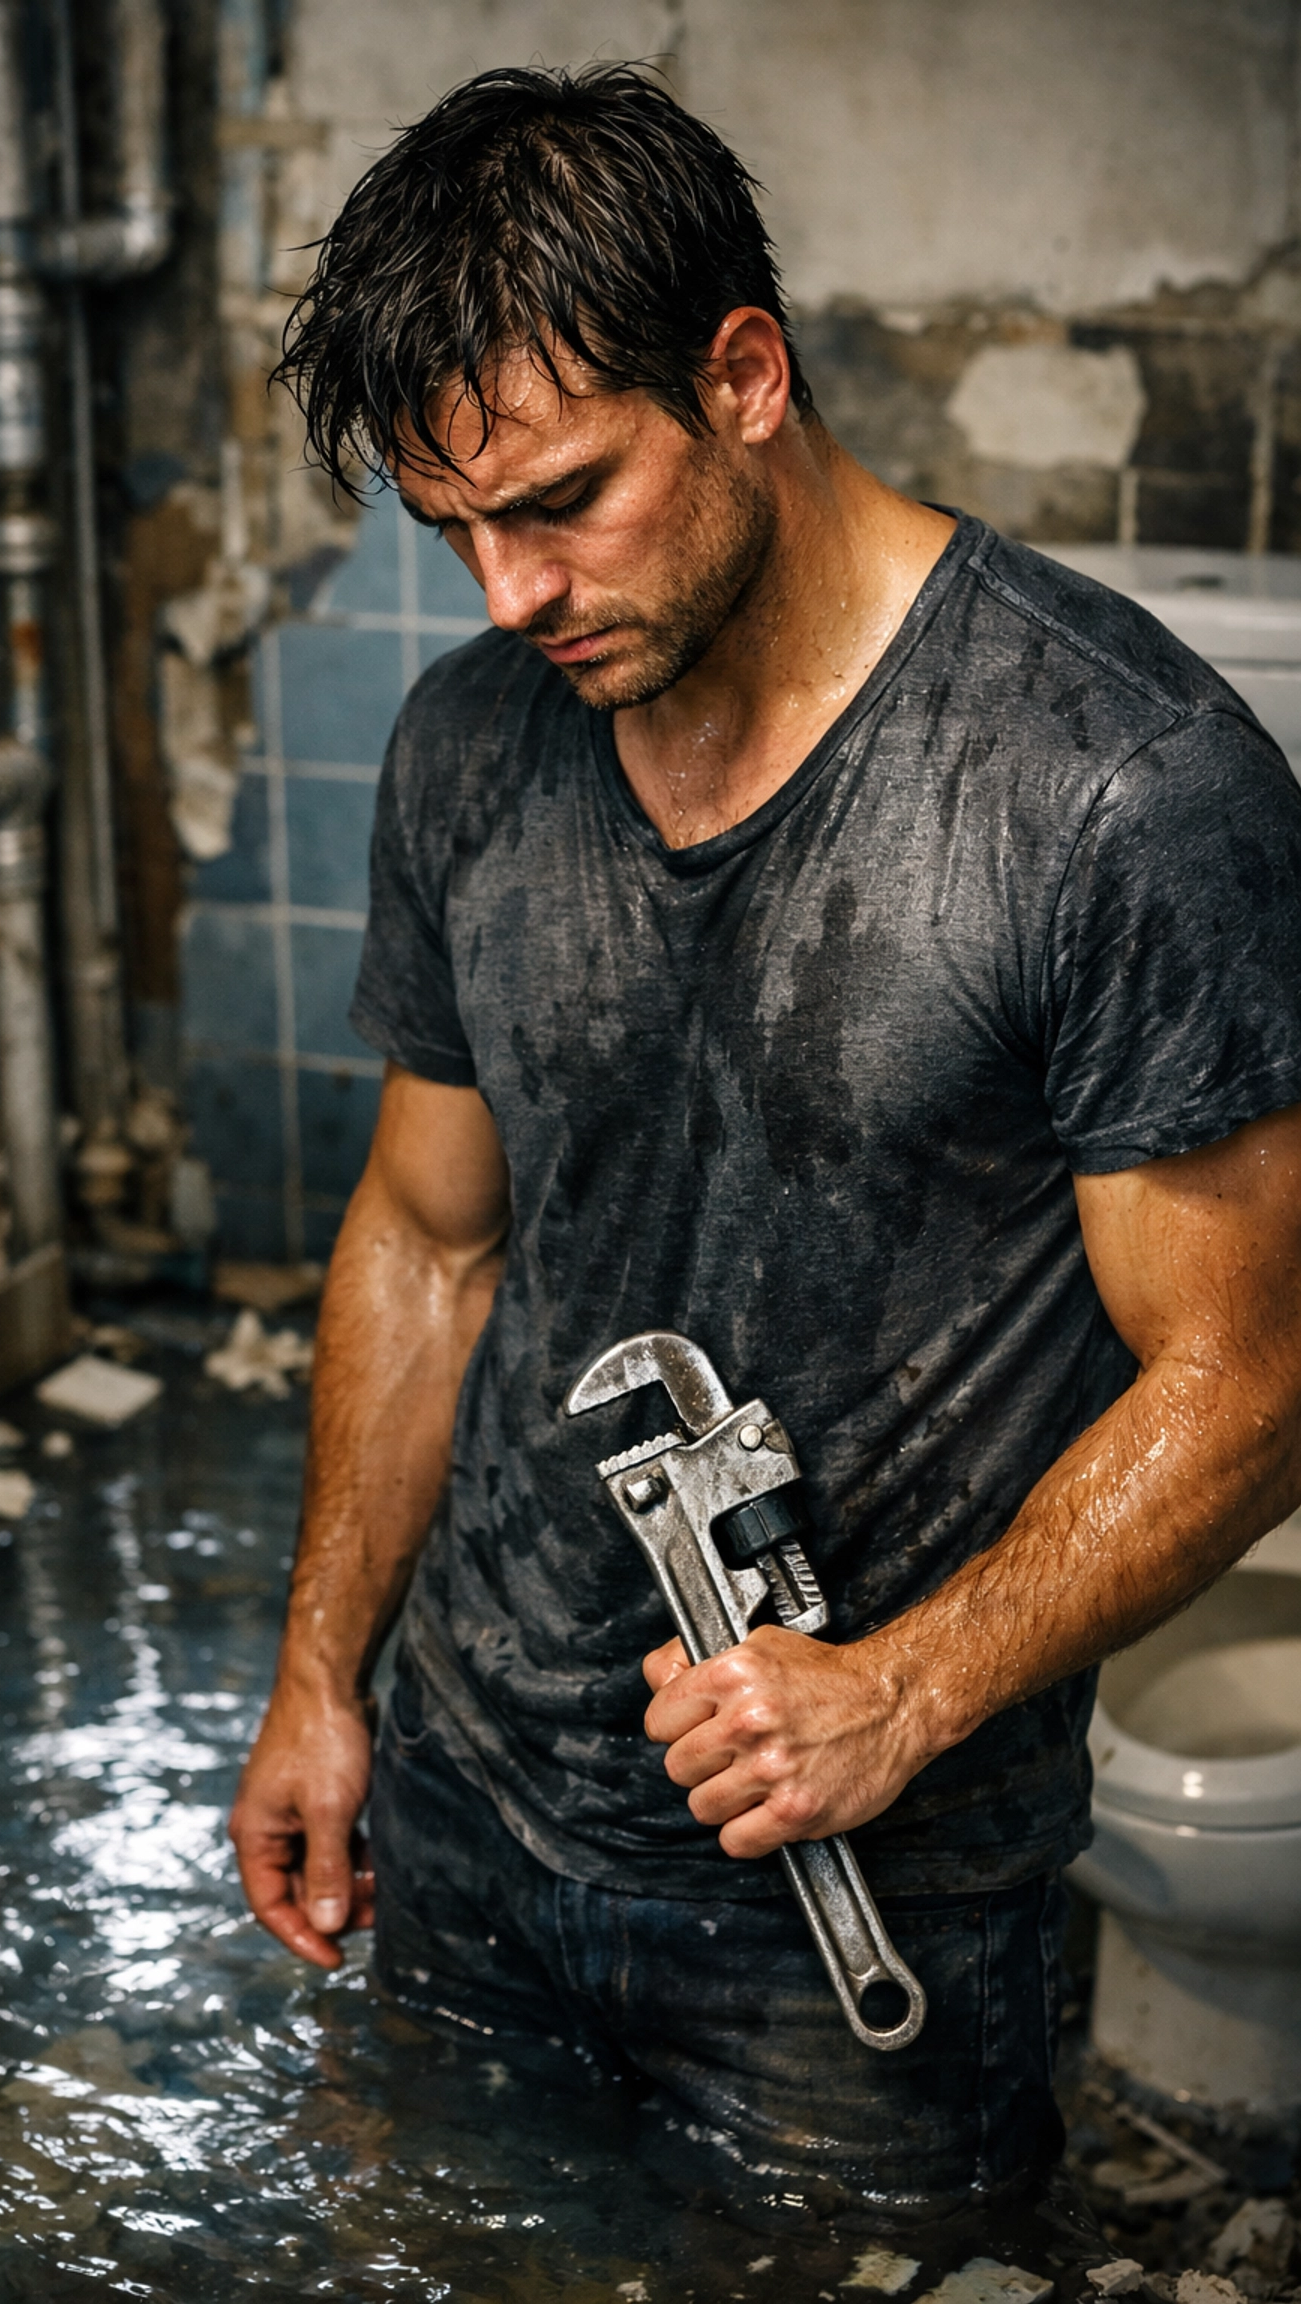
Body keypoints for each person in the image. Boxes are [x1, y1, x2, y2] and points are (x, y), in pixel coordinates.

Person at [229, 63, 1301, 2214]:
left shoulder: (1112, 785)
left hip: (855, 1897)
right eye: (452, 532)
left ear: (740, 375)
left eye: (560, 503)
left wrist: (896, 1700)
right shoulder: (473, 748)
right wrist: (319, 1678)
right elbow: (431, 1241)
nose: (506, 595)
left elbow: (1254, 1374)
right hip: (469, 1794)